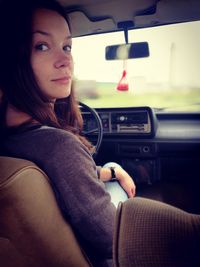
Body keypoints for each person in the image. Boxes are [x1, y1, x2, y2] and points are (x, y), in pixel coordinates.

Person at [0, 0, 135, 266]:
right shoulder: (59, 146)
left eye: (67, 47)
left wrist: (111, 170)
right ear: (10, 58)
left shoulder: (13, 140)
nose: (65, 61)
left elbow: (67, 180)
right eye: (41, 46)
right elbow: (112, 238)